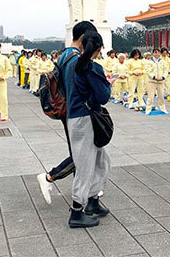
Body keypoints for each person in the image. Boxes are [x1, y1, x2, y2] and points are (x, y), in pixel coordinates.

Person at [37, 21, 97, 203]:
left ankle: (84, 194)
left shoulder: (65, 55)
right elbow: (76, 89)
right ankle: (50, 177)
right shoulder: (74, 58)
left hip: (68, 110)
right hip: (76, 112)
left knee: (80, 153)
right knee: (82, 155)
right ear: (83, 38)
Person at [65, 31, 112, 228]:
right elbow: (103, 97)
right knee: (85, 165)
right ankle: (77, 212)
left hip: (74, 116)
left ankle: (93, 199)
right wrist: (108, 85)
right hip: (86, 119)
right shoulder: (92, 68)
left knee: (101, 160)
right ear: (100, 48)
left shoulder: (70, 63)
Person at [145, 48, 168, 114]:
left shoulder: (163, 62)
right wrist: (154, 77)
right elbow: (148, 71)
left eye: (158, 53)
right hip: (152, 81)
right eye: (155, 52)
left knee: (161, 96)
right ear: (153, 54)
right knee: (150, 97)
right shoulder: (150, 62)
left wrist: (163, 77)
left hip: (160, 81)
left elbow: (165, 70)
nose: (157, 54)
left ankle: (163, 108)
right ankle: (148, 109)